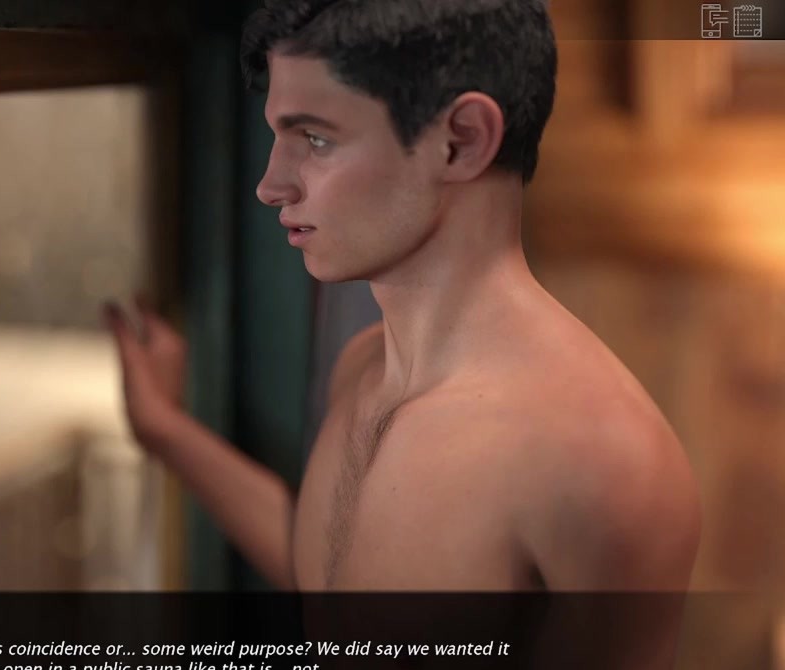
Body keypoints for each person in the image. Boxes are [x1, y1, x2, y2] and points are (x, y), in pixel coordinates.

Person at [104, 0, 700, 594]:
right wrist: (166, 430)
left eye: (315, 138)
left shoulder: (604, 465)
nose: (270, 185)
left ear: (462, 140)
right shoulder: (361, 368)